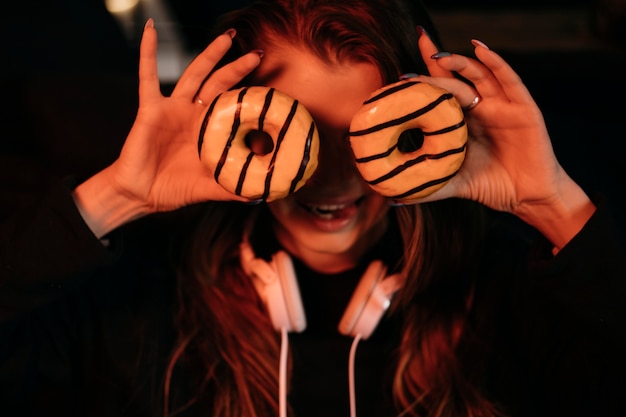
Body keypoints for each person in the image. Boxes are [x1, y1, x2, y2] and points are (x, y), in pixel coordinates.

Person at [1, 0, 625, 417]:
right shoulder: (139, 307)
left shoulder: (510, 301)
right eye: (298, 134)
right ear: (230, 132)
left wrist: (553, 204)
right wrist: (117, 196)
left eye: (370, 136)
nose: (331, 180)